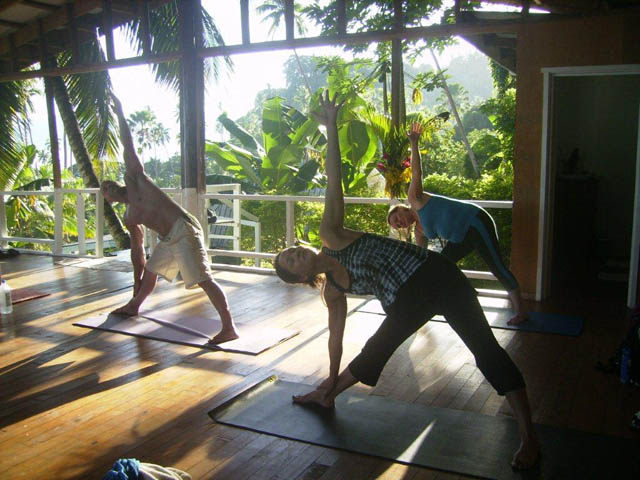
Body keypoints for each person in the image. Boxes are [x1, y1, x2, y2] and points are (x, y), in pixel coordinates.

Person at [274, 92, 539, 469]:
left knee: (486, 351)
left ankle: (530, 438)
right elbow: (335, 338)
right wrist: (328, 377)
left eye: (292, 249)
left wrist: (330, 128)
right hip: (406, 300)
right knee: (375, 347)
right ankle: (328, 394)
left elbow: (335, 182)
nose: (295, 253)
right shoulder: (333, 293)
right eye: (290, 261)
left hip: (435, 274)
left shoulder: (331, 235)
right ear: (299, 277)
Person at [100, 95, 238, 344]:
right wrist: (135, 282)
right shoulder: (129, 216)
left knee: (203, 278)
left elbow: (127, 146)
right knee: (151, 270)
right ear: (108, 199)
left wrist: (120, 114)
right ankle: (134, 306)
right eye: (104, 189)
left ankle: (229, 327)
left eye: (109, 183)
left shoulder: (136, 180)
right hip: (169, 238)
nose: (108, 186)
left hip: (184, 229)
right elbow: (137, 250)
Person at [387, 123, 526, 325]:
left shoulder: (415, 200)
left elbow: (417, 173)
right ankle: (437, 304)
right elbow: (422, 261)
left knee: (497, 267)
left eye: (397, 218)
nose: (400, 222)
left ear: (401, 208)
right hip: (461, 237)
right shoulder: (419, 233)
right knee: (439, 266)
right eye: (398, 226)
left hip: (475, 222)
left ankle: (521, 311)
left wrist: (414, 144)